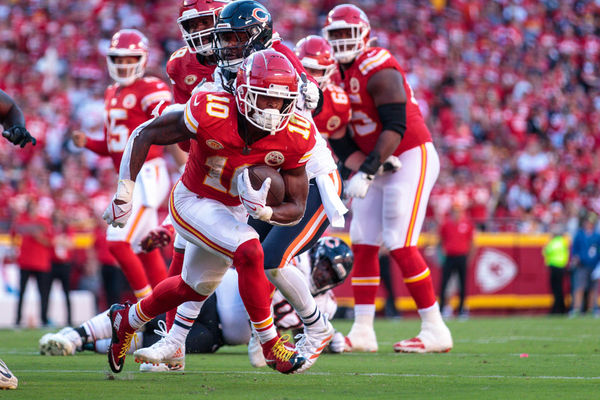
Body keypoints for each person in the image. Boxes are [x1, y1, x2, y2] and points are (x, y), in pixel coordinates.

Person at [135, 0, 346, 375]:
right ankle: (175, 340)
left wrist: (301, 88)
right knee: (215, 262)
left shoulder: (277, 62)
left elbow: (310, 104)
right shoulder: (218, 72)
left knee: (271, 261)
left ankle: (316, 329)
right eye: (224, 38)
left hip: (304, 177)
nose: (224, 46)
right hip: (253, 178)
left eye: (234, 38)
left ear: (254, 38)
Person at [103, 49, 313, 375]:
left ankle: (126, 319)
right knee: (249, 250)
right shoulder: (212, 109)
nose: (271, 110)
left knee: (192, 287)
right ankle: (270, 344)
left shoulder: (296, 135)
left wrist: (267, 212)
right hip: (192, 200)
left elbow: (297, 207)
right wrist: (124, 194)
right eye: (263, 98)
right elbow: (145, 132)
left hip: (233, 211)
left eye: (278, 101)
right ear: (242, 93)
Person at [322, 3, 452, 353]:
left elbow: (397, 125)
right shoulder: (330, 75)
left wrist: (366, 170)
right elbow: (338, 135)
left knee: (399, 240)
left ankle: (435, 329)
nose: (342, 42)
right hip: (375, 161)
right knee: (363, 239)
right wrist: (358, 168)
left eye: (348, 33)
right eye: (336, 35)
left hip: (410, 153)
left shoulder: (377, 67)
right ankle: (363, 330)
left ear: (365, 35)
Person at [71, 29, 173, 301]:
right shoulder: (111, 92)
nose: (124, 65)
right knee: (144, 248)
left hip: (147, 173)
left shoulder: (151, 87)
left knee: (116, 242)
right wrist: (88, 143)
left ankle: (145, 310)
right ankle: (166, 312)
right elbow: (113, 145)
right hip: (128, 176)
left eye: (131, 59)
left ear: (142, 59)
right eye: (119, 59)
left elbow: (168, 121)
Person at [13, 199, 53, 327]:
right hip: (25, 261)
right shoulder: (21, 219)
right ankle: (18, 319)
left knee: (43, 293)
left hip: (40, 262)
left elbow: (49, 242)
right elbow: (14, 235)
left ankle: (44, 319)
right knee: (21, 293)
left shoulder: (44, 220)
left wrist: (38, 237)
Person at [438, 202, 475, 319]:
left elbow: (473, 243)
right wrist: (440, 255)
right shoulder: (446, 224)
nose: (456, 213)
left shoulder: (467, 224)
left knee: (462, 284)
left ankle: (461, 309)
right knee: (444, 283)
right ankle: (442, 308)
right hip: (449, 257)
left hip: (462, 256)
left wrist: (469, 257)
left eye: (458, 211)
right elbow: (440, 240)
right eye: (454, 211)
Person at [570, 214, 600, 316]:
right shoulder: (580, 235)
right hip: (582, 265)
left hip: (594, 265)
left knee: (593, 288)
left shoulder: (597, 236)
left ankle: (592, 308)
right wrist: (575, 257)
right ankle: (576, 308)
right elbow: (574, 249)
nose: (588, 224)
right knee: (579, 287)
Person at [542, 225, 570, 315]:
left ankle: (556, 309)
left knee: (556, 289)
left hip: (555, 267)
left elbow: (546, 251)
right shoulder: (563, 242)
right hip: (561, 267)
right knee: (559, 289)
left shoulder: (554, 242)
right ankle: (561, 308)